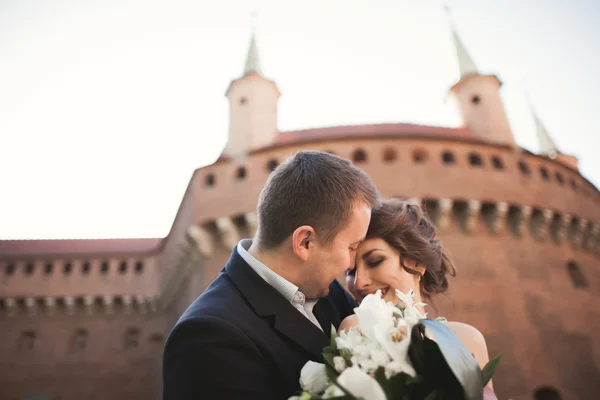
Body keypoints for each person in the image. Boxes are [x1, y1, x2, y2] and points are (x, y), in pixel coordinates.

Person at [162, 151, 380, 399]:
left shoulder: (327, 290)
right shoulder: (208, 337)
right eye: (351, 247)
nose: (352, 264)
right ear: (305, 242)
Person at [341, 198, 497, 398]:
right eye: (350, 271)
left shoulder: (467, 339)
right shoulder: (354, 330)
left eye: (375, 261)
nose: (359, 282)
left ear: (416, 263)